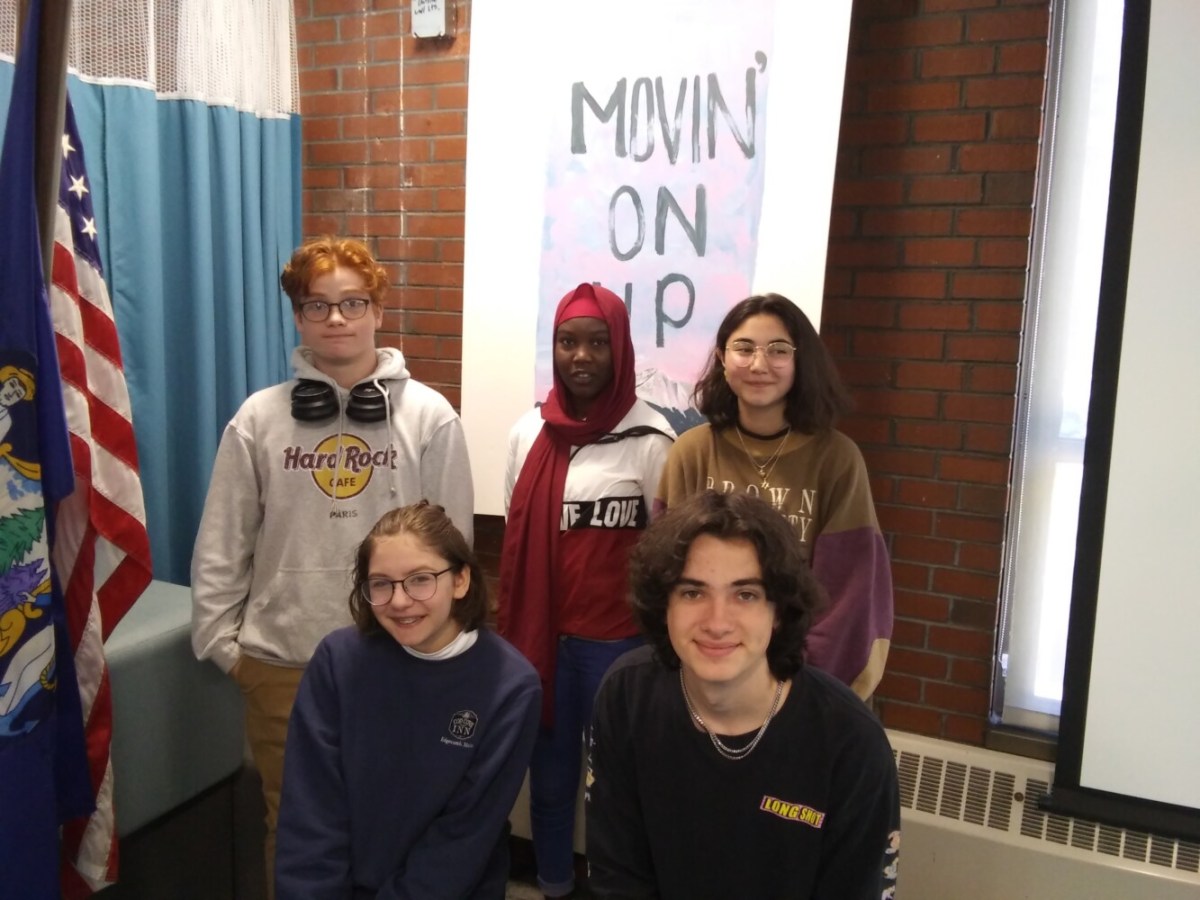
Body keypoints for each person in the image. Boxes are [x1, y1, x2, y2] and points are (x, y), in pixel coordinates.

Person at [191, 236, 474, 897]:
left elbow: (454, 546)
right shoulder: (258, 419)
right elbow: (222, 545)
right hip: (281, 664)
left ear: (378, 309)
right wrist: (228, 651)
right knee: (293, 831)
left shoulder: (429, 417)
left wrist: (440, 656)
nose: (336, 318)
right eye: (317, 305)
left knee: (400, 825)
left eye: (352, 303)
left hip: (400, 663)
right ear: (298, 317)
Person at [586, 490, 901, 899]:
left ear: (778, 611)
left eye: (745, 594)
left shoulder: (851, 743)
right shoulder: (626, 698)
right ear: (664, 607)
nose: (717, 623)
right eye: (693, 592)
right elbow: (617, 877)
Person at [499, 282, 674, 898]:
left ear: (619, 348)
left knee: (619, 789)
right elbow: (517, 536)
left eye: (597, 343)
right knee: (547, 781)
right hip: (543, 642)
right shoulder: (528, 433)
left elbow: (664, 556)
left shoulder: (651, 439)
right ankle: (553, 885)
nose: (581, 356)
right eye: (567, 342)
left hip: (617, 648)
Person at [275, 501, 540, 899]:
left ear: (461, 580)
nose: (399, 600)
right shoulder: (338, 661)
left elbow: (464, 836)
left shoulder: (511, 687)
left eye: (420, 579)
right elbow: (310, 810)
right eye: (381, 583)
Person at [656, 293, 892, 700]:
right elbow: (664, 575)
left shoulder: (837, 458)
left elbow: (852, 593)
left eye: (778, 350)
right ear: (722, 358)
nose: (759, 365)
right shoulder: (690, 453)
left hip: (804, 682)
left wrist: (786, 681)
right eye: (744, 348)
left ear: (801, 361)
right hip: (708, 669)